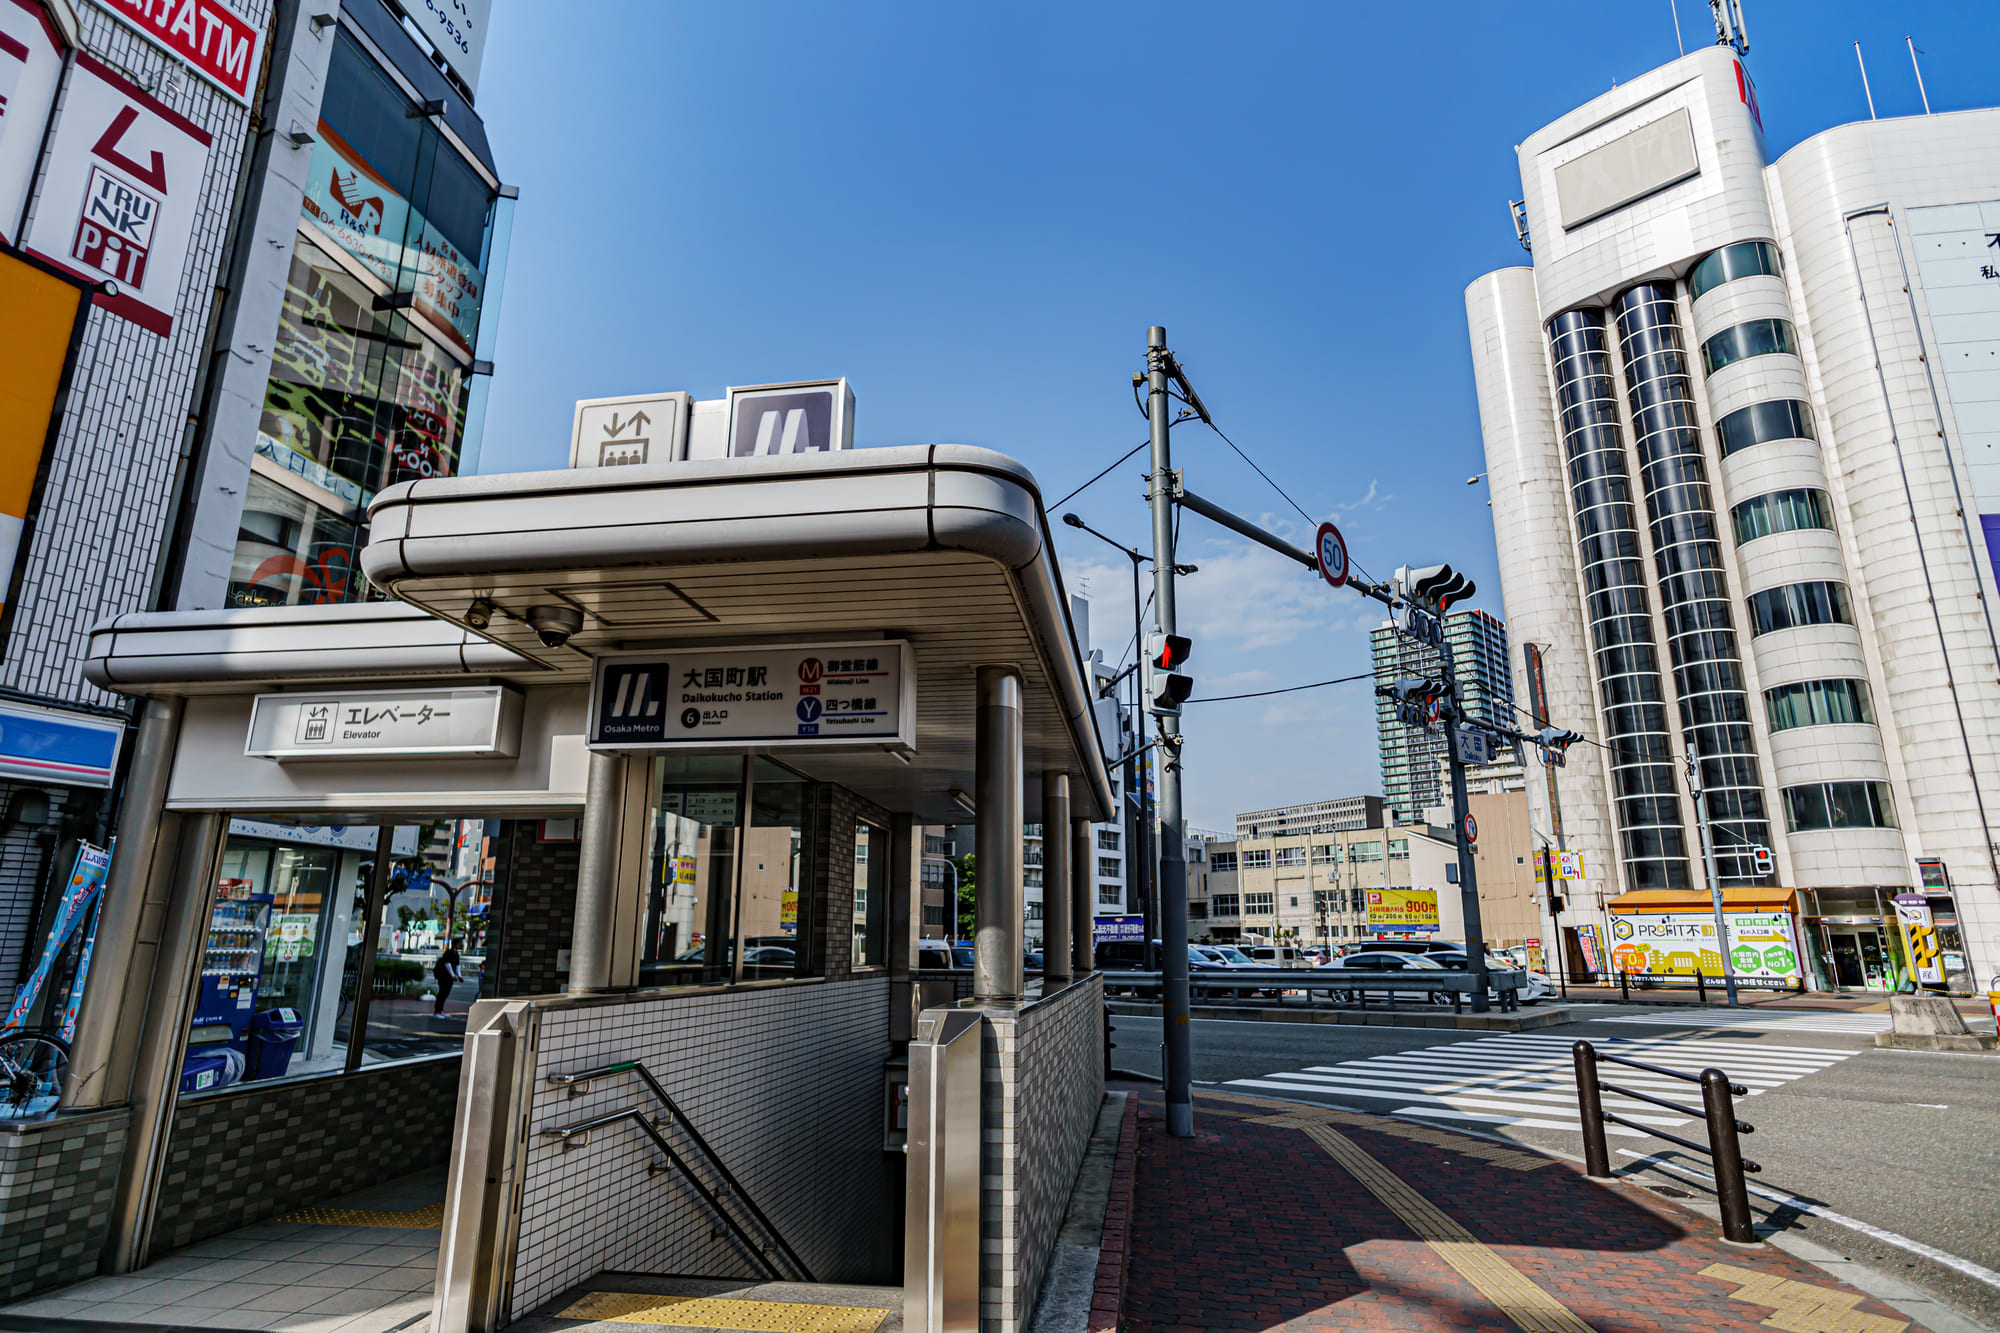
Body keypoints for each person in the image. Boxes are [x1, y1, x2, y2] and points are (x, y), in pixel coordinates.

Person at [432, 940, 462, 1017]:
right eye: (459, 944)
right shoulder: (448, 952)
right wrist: (453, 975)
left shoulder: (456, 953)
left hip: (449, 978)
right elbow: (447, 964)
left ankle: (441, 1010)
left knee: (445, 994)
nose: (460, 945)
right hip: (443, 976)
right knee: (442, 993)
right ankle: (437, 1011)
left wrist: (459, 976)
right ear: (455, 944)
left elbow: (457, 965)